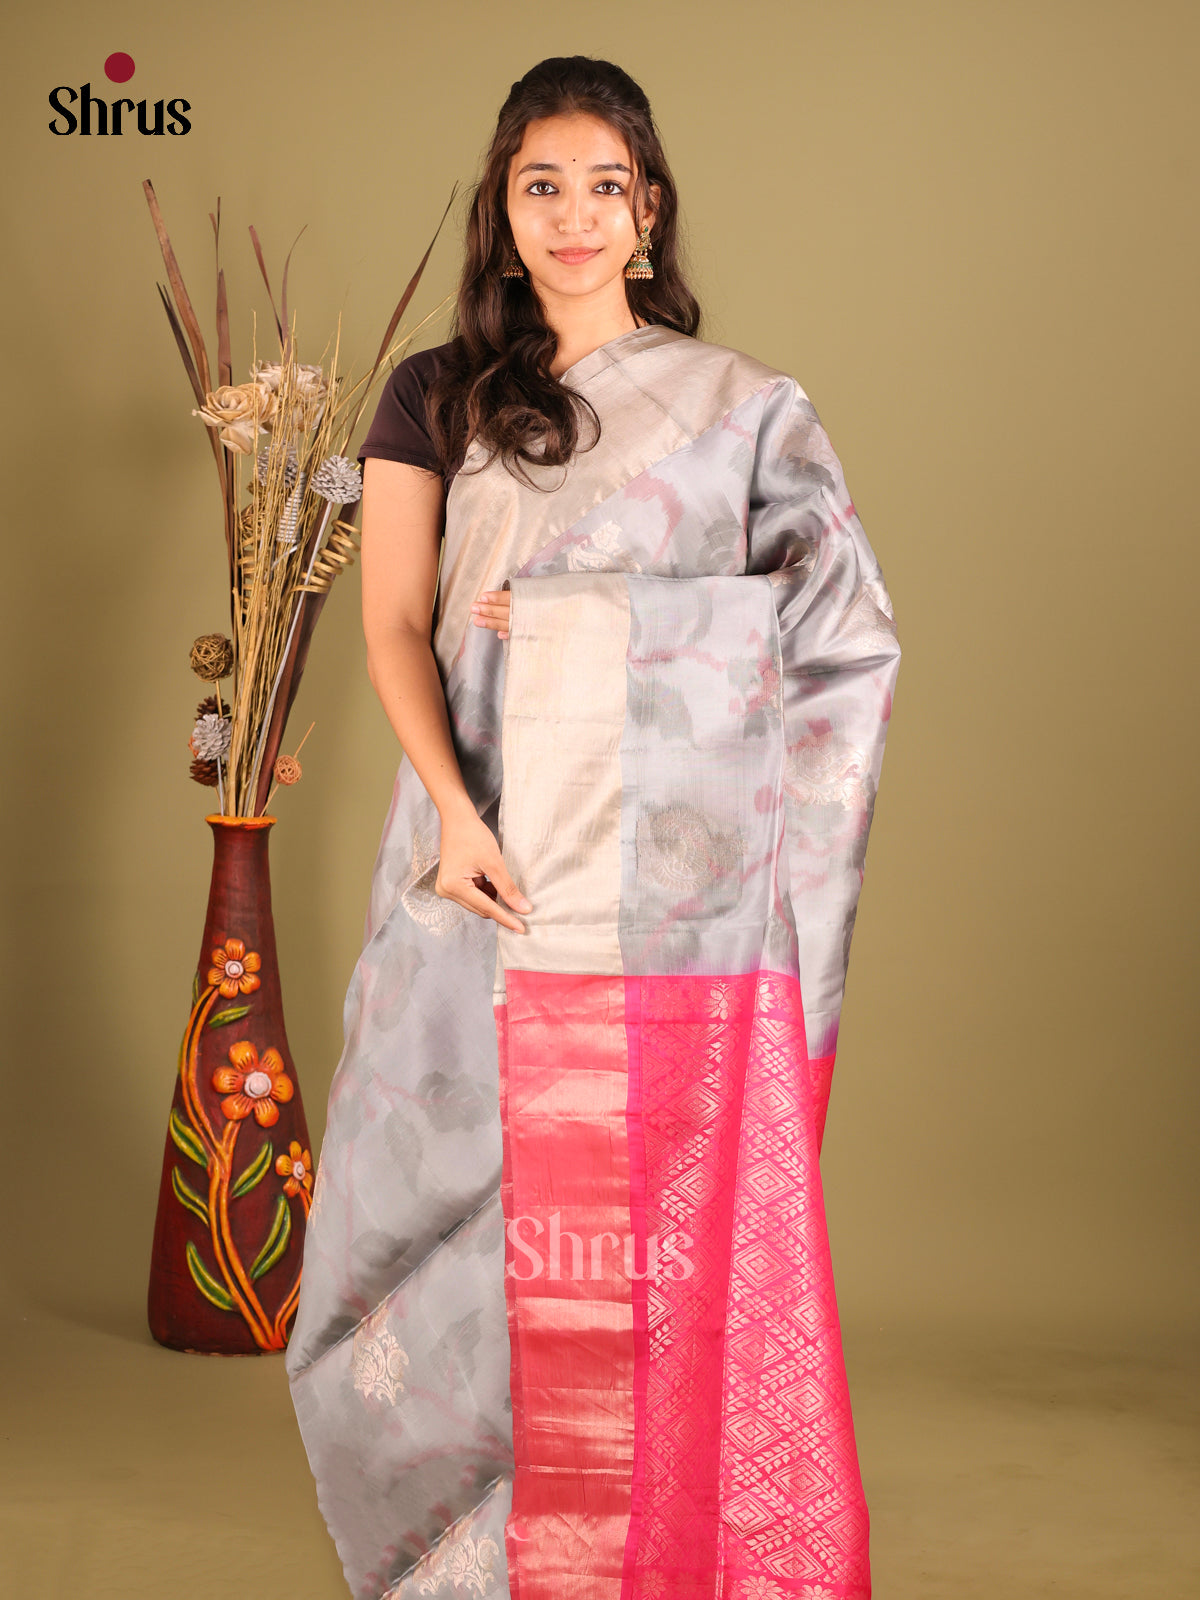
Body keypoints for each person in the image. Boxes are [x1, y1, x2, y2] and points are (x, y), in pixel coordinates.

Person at [286, 54, 900, 1600]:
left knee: (636, 1227)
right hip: (473, 860)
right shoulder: (436, 392)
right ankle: (483, 1559)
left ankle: (637, 1538)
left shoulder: (741, 410)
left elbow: (838, 642)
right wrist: (453, 814)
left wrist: (600, 621)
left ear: (650, 211)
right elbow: (396, 627)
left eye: (603, 187)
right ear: (502, 210)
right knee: (426, 1224)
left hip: (666, 909)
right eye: (540, 186)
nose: (572, 216)